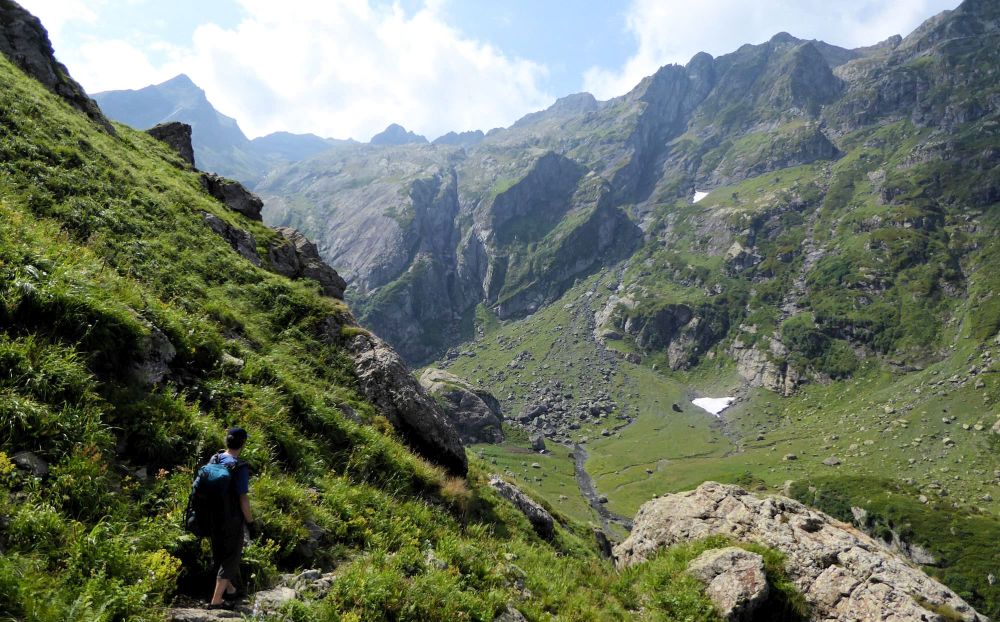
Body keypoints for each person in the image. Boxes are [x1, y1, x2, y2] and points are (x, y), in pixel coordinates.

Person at [207, 427, 255, 610]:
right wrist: (250, 522)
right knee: (230, 557)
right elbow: (243, 499)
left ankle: (231, 590)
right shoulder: (239, 467)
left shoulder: (215, 458)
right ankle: (216, 600)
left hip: (212, 515)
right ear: (242, 444)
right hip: (232, 518)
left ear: (227, 441)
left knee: (218, 552)